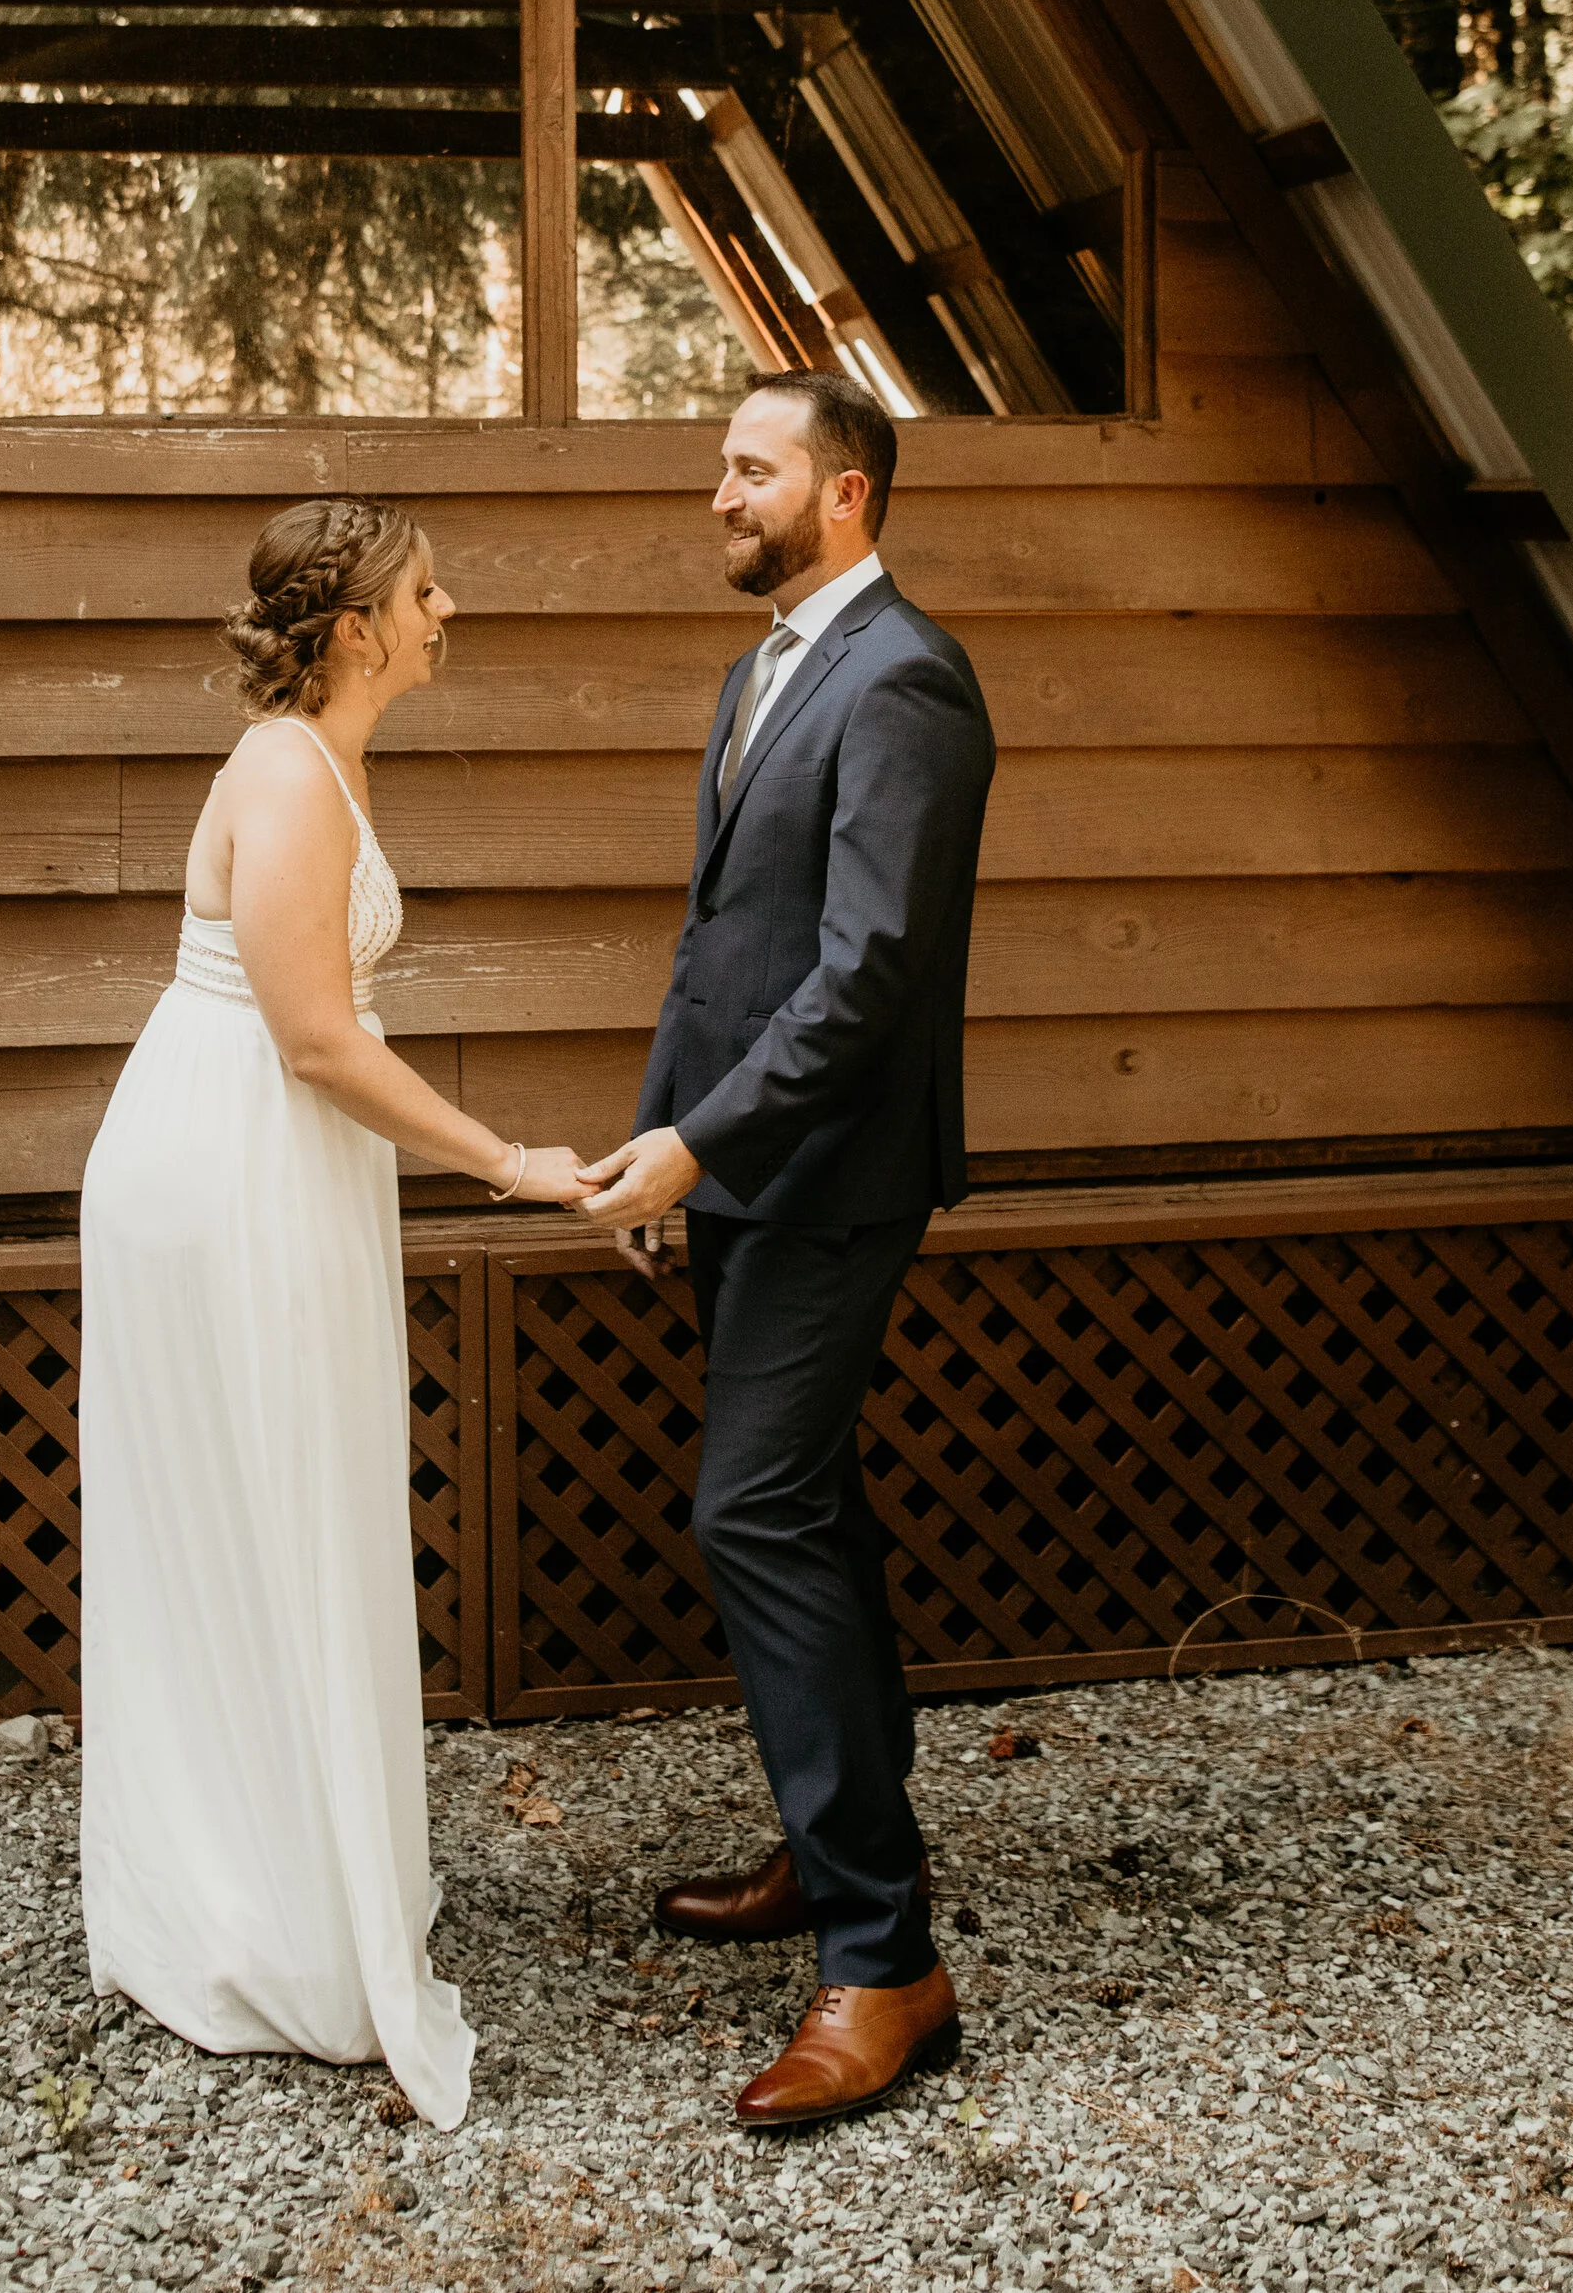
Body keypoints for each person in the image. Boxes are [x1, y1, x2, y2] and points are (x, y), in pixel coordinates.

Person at [77, 495, 584, 2130]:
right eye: (428, 589)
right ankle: (261, 1921)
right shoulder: (289, 770)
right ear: (357, 622)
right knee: (259, 1507)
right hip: (228, 1161)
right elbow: (313, 1035)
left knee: (299, 1501)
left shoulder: (328, 758)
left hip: (283, 1158)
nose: (453, 606)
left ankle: (294, 1872)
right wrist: (507, 1160)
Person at [576, 371, 995, 2131]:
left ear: (845, 494)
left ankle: (886, 1955)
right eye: (720, 461)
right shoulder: (769, 666)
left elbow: (866, 975)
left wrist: (703, 1138)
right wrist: (678, 1142)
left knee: (746, 1507)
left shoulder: (906, 679)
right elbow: (723, 951)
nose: (718, 489)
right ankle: (834, 1856)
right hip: (747, 1169)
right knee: (803, 1506)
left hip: (831, 1175)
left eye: (750, 467)